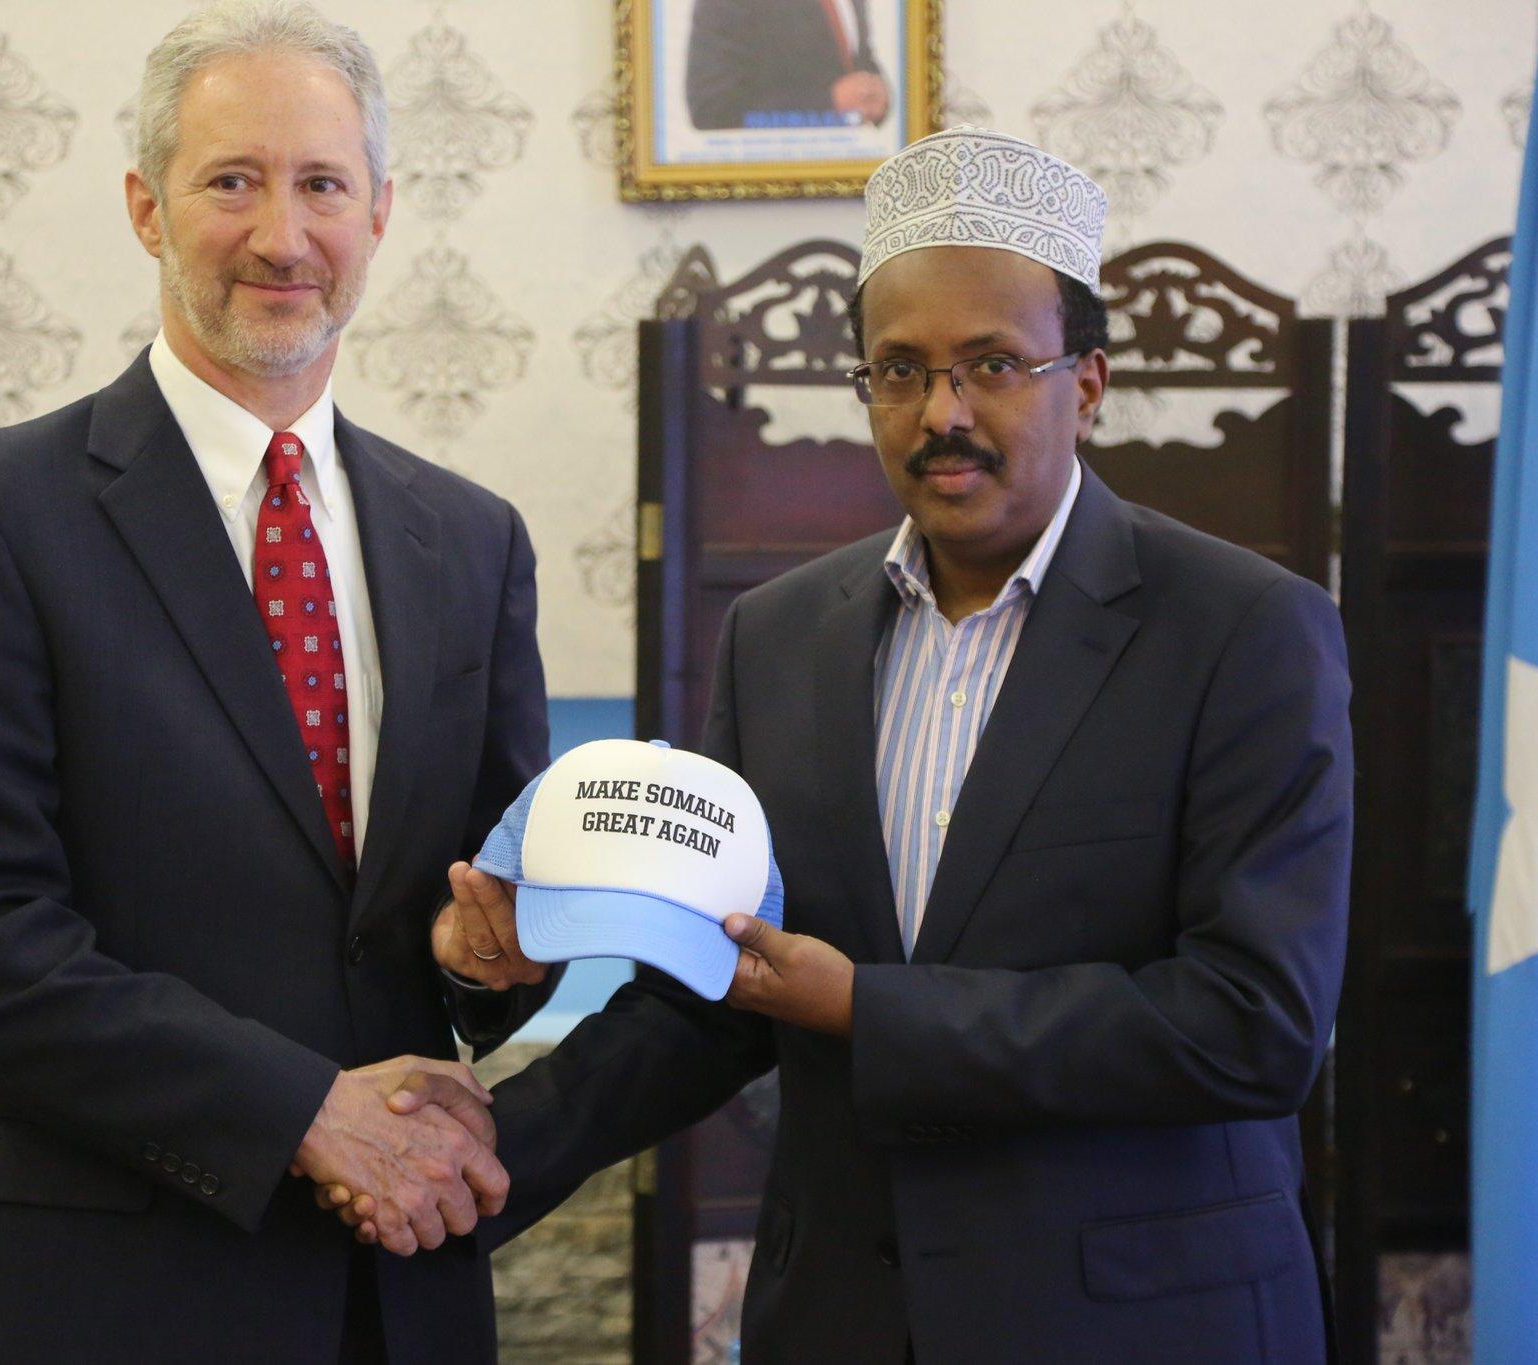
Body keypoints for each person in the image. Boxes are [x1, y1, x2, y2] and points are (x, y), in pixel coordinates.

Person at [343, 127, 1352, 1362]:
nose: (942, 413)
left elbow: (1252, 1023)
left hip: (1142, 1320)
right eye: (897, 369)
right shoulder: (778, 639)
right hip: (841, 1318)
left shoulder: (1244, 631)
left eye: (992, 364)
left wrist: (868, 1009)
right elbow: (715, 997)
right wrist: (474, 1158)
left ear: (1084, 384)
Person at [0, 3, 556, 1360]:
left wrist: (490, 960)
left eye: (323, 185)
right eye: (233, 181)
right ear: (145, 207)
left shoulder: (471, 540)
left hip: (390, 1299)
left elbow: (475, 927)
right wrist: (300, 1110)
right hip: (88, 1291)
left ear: (382, 212)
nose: (283, 237)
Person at [685, 0, 891, 131]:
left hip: (852, 179)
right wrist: (827, 105)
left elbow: (860, 60)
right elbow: (710, 109)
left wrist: (879, 94)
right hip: (769, 187)